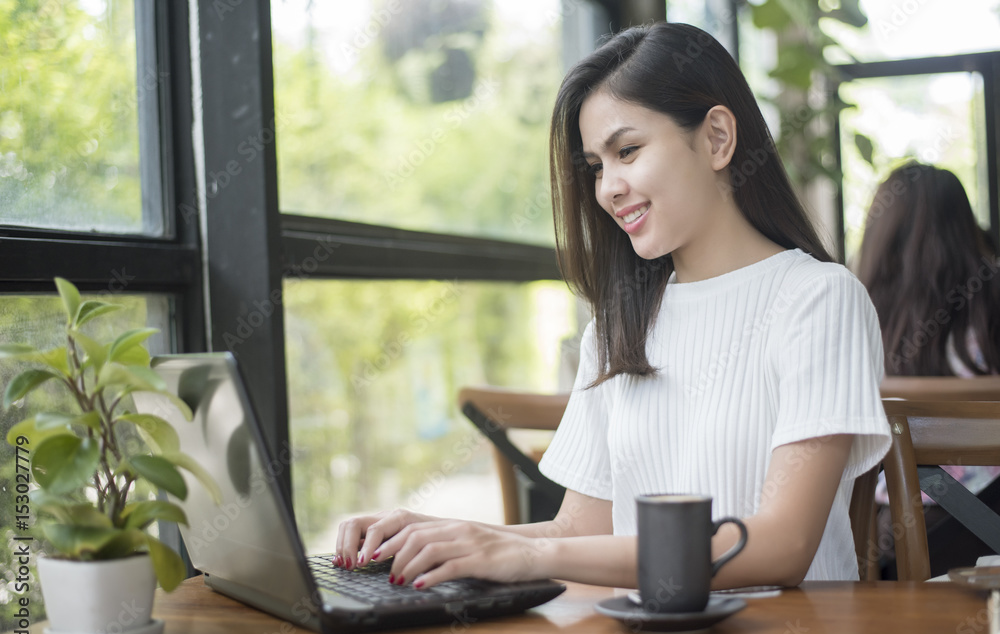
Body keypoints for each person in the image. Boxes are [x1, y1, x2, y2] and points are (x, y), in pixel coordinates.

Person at [334, 22, 891, 591]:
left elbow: (781, 547)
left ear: (718, 139)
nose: (607, 189)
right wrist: (440, 534)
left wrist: (527, 557)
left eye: (627, 151)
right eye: (597, 167)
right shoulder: (618, 326)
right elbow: (580, 531)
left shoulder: (818, 300)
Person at [856, 161, 1000, 577]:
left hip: (892, 542)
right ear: (964, 225)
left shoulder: (858, 314)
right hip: (988, 526)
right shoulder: (991, 303)